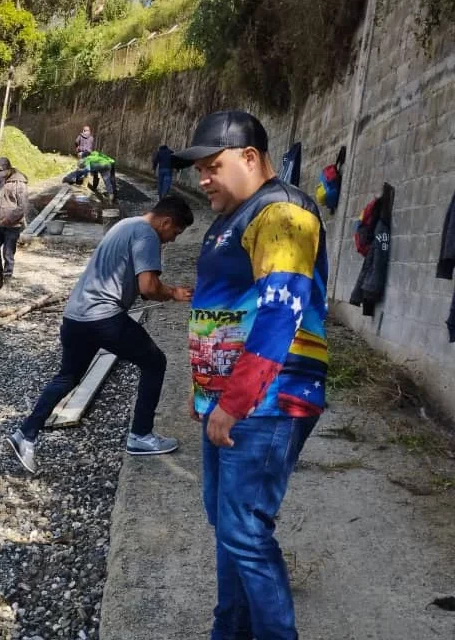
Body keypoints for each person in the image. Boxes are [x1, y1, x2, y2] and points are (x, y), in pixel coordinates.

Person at [173, 110, 328, 640]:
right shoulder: (237, 216)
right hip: (231, 405)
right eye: (199, 172)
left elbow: (280, 313)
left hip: (263, 404)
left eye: (212, 167)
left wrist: (234, 402)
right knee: (230, 530)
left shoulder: (283, 213)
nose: (203, 180)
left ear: (250, 157)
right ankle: (229, 632)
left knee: (245, 532)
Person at [7, 195, 195, 474]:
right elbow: (148, 287)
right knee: (155, 362)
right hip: (103, 317)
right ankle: (141, 435)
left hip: (75, 315)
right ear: (166, 222)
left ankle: (26, 434)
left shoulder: (126, 225)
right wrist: (173, 293)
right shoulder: (147, 235)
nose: (173, 240)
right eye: (175, 233)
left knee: (68, 377)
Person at [0, 157, 30, 294]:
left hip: (13, 224)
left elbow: (23, 206)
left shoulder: (19, 182)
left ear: (9, 168)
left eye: (2, 170)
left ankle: (7, 282)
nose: (0, 172)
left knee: (8, 254)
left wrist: (9, 219)